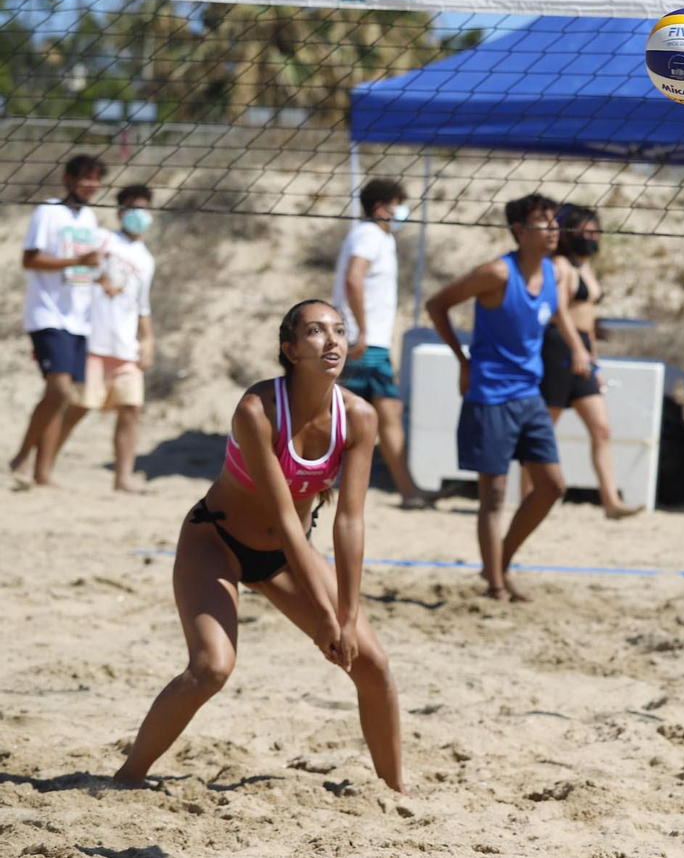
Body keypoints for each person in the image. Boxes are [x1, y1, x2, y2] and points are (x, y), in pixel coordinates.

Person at [114, 300, 404, 792]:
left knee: (371, 663)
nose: (331, 341)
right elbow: (284, 521)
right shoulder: (257, 409)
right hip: (217, 542)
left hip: (285, 558)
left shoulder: (359, 417)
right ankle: (127, 775)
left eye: (338, 330)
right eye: (315, 332)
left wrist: (348, 617)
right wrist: (327, 617)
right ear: (290, 350)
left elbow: (350, 523)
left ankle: (396, 791)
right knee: (212, 668)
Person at [426, 192, 589, 601]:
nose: (553, 229)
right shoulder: (496, 274)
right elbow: (436, 304)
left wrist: (579, 348)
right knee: (494, 494)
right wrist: (461, 360)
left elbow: (559, 313)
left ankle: (498, 562)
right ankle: (496, 583)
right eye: (543, 222)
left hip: (529, 393)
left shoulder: (552, 272)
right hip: (490, 394)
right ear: (520, 230)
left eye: (555, 221)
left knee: (552, 486)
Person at [333, 178, 432, 509]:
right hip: (363, 343)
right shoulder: (369, 235)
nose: (402, 211)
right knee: (345, 419)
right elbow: (353, 278)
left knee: (388, 412)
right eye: (397, 203)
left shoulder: (378, 237)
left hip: (371, 342)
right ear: (381, 206)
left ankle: (410, 491)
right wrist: (359, 330)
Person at [11, 154, 106, 487]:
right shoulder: (48, 210)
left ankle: (42, 472)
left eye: (96, 179)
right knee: (60, 390)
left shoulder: (90, 218)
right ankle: (21, 457)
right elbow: (30, 259)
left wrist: (101, 277)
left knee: (66, 397)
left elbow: (84, 266)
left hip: (80, 319)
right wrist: (78, 259)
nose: (92, 184)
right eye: (86, 178)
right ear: (68, 178)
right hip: (48, 314)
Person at [543, 205, 642, 519]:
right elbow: (558, 312)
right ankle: (534, 497)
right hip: (560, 349)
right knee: (544, 431)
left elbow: (587, 320)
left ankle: (610, 501)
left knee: (601, 429)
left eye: (596, 231)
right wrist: (576, 349)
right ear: (570, 235)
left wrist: (592, 359)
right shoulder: (560, 265)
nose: (593, 237)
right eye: (587, 232)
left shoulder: (584, 266)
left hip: (582, 349)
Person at [59, 185, 157, 493]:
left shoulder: (147, 259)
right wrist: (99, 277)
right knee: (78, 407)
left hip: (125, 346)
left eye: (143, 208)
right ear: (119, 212)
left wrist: (148, 339)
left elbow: (142, 305)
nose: (138, 215)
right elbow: (72, 264)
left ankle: (123, 478)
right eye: (131, 208)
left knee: (131, 409)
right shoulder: (103, 238)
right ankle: (44, 460)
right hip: (93, 342)